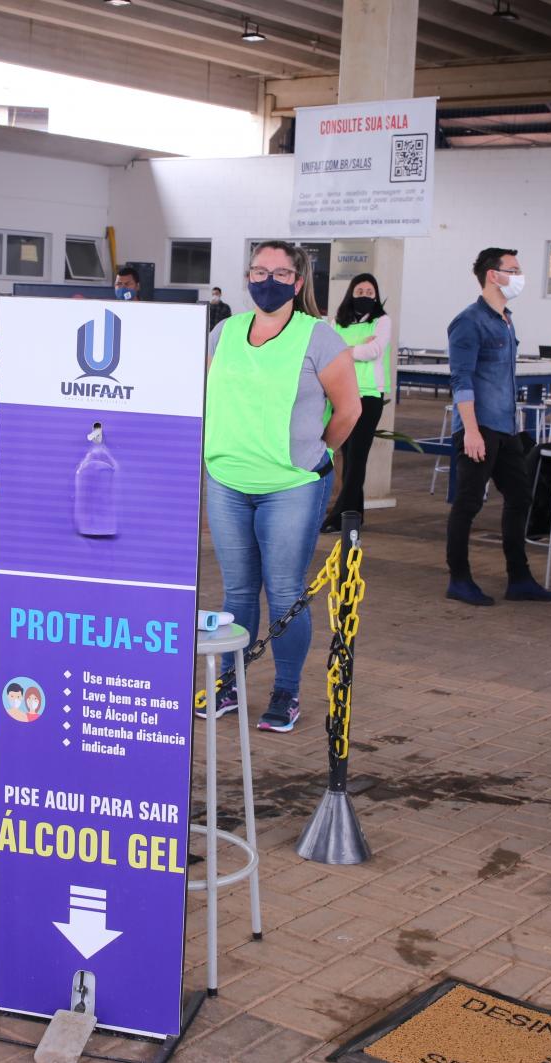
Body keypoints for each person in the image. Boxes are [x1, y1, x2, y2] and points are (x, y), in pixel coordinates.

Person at [202, 240, 360, 732]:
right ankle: (228, 685)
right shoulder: (224, 332)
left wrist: (315, 457)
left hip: (290, 485)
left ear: (297, 281)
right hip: (227, 479)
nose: (265, 279)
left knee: (287, 589)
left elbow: (349, 410)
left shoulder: (319, 338)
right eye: (257, 270)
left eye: (278, 272)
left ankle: (286, 692)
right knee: (238, 591)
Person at [444, 247, 551, 607]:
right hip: (480, 428)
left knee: (521, 497)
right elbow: (461, 378)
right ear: (494, 275)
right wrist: (471, 431)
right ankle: (459, 579)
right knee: (468, 503)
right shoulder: (469, 322)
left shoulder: (506, 319)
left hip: (506, 428)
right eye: (514, 269)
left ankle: (519, 578)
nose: (519, 276)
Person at [322, 272, 393, 533]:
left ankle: (341, 514)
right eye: (360, 292)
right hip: (340, 393)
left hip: (368, 395)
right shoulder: (336, 322)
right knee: (348, 455)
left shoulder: (382, 321)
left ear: (376, 296)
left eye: (370, 293)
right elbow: (327, 352)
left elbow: (373, 351)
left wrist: (345, 350)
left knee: (358, 457)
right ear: (351, 293)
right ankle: (355, 513)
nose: (365, 296)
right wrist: (354, 349)